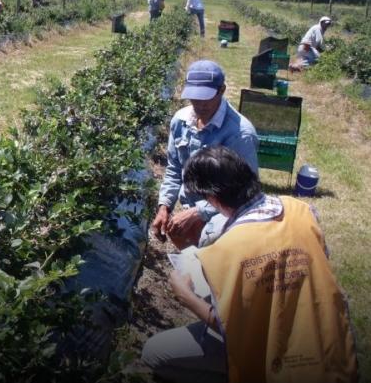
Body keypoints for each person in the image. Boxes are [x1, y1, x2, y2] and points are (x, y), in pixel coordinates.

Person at [142, 146, 359, 383]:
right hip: (332, 349)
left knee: (155, 352)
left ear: (212, 199)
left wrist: (186, 297)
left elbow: (229, 328)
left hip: (282, 365)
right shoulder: (304, 211)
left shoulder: (228, 248)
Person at [151, 60, 258, 250]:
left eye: (206, 97)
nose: (199, 104)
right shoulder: (180, 121)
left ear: (222, 90)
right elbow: (175, 169)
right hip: (191, 208)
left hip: (225, 215)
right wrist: (164, 206)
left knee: (211, 265)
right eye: (194, 97)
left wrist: (199, 212)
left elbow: (246, 193)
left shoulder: (239, 134)